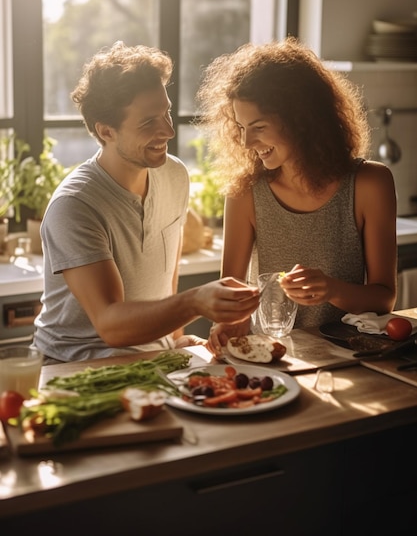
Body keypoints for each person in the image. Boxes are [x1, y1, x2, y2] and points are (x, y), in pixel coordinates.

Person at [32, 41, 259, 364]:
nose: (167, 130)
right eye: (148, 122)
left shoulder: (174, 175)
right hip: (78, 366)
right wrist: (194, 302)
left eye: (166, 112)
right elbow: (111, 324)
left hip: (153, 358)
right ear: (106, 131)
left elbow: (166, 276)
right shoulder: (75, 206)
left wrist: (176, 338)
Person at [194, 37, 398, 355]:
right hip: (273, 358)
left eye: (258, 126)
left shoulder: (370, 183)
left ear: (301, 119)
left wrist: (331, 289)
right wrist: (230, 321)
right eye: (241, 127)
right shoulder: (246, 192)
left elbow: (384, 297)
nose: (247, 141)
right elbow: (231, 293)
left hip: (350, 356)